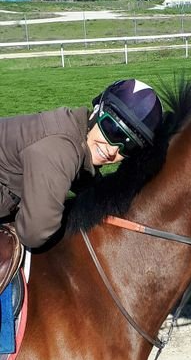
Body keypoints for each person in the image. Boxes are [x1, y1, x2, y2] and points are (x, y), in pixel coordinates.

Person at [0, 78, 163, 294]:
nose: (113, 149)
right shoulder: (61, 149)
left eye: (129, 146)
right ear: (96, 112)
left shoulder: (76, 135)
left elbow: (90, 185)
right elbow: (35, 232)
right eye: (112, 129)